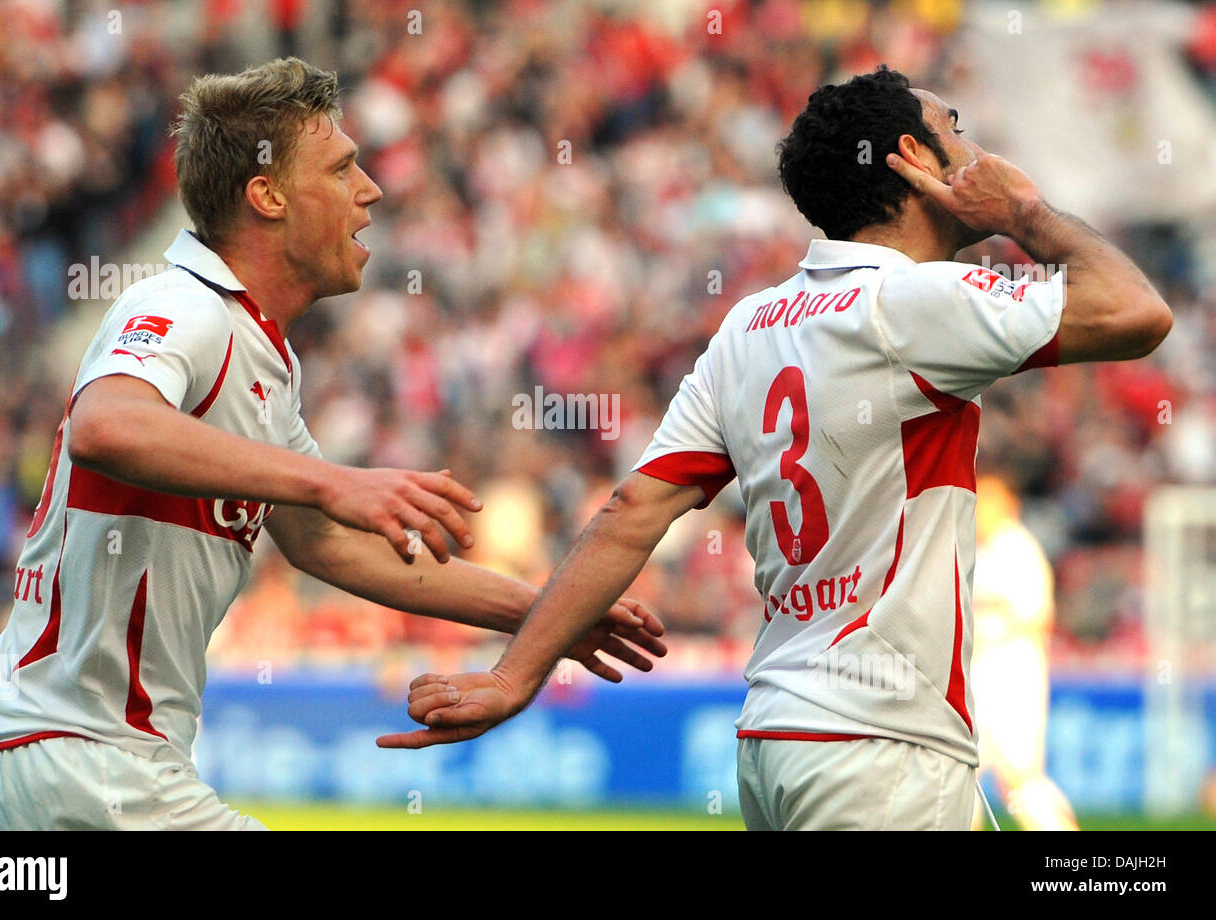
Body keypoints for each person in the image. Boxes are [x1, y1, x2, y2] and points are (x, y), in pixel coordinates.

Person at [377, 67, 1172, 831]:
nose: (979, 155)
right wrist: (1026, 212)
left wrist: (515, 676)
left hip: (780, 740)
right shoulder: (912, 301)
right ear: (911, 162)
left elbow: (632, 507)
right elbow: (1138, 311)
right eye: (952, 132)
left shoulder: (748, 327)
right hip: (883, 745)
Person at [0, 57, 664, 831]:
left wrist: (553, 613)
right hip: (91, 768)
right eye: (343, 167)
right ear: (269, 194)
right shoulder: (183, 305)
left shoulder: (264, 363)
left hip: (36, 764)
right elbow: (106, 426)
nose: (373, 189)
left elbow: (329, 547)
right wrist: (333, 481)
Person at [970, 473, 1078, 830]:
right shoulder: (980, 550)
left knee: (1020, 776)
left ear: (1008, 505)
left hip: (1013, 672)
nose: (979, 509)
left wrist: (989, 629)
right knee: (965, 774)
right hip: (981, 674)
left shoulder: (1019, 550)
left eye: (988, 500)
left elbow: (1037, 618)